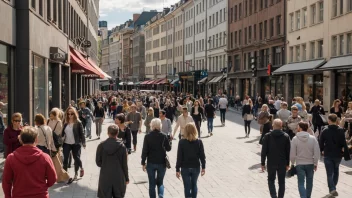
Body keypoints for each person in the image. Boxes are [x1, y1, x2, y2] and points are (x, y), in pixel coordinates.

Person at [2, 126, 57, 198]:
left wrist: (8, 196)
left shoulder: (11, 158)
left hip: (19, 195)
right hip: (40, 195)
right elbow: (52, 178)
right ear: (36, 140)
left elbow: (6, 181)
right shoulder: (44, 157)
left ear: (20, 140)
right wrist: (43, 186)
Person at [319, 114, 351, 197]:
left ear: (329, 120)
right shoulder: (340, 130)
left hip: (328, 153)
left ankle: (332, 189)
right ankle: (333, 187)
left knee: (329, 173)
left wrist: (321, 150)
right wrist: (345, 152)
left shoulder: (325, 130)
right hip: (338, 154)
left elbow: (321, 141)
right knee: (336, 170)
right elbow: (343, 142)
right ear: (336, 120)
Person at [141, 118, 172, 198]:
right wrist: (169, 141)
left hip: (151, 162)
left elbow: (145, 151)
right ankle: (161, 195)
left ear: (152, 125)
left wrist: (143, 162)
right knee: (160, 182)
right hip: (161, 162)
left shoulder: (147, 136)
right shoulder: (164, 136)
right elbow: (168, 149)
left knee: (152, 184)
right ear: (159, 126)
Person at [96, 125, 129, 198]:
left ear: (108, 133)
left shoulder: (101, 145)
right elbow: (124, 164)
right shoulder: (122, 146)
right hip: (118, 176)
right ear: (117, 133)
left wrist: (105, 164)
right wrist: (126, 178)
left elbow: (98, 162)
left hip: (105, 175)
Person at [261, 119, 291, 198]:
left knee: (271, 180)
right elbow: (288, 152)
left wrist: (262, 163)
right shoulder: (286, 136)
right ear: (281, 126)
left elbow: (264, 151)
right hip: (282, 162)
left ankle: (274, 196)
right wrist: (288, 163)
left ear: (273, 125)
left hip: (271, 162)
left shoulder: (267, 136)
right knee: (281, 182)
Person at [290, 122, 320, 198]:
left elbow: (292, 153)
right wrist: (315, 163)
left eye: (297, 127)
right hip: (310, 163)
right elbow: (317, 152)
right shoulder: (313, 139)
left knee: (300, 183)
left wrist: (292, 163)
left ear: (300, 128)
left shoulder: (295, 139)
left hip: (299, 163)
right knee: (309, 183)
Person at [176, 123, 206, 198]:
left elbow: (179, 157)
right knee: (194, 185)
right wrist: (203, 167)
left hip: (185, 167)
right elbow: (202, 156)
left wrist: (177, 169)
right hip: (195, 166)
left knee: (187, 186)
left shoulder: (182, 142)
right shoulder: (199, 142)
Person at [62, 106, 86, 180]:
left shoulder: (78, 122)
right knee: (65, 158)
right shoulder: (65, 122)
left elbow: (82, 133)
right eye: (68, 114)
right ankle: (65, 174)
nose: (70, 115)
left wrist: (84, 142)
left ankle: (78, 171)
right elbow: (62, 133)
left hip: (76, 143)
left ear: (74, 114)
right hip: (66, 143)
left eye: (71, 114)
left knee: (76, 158)